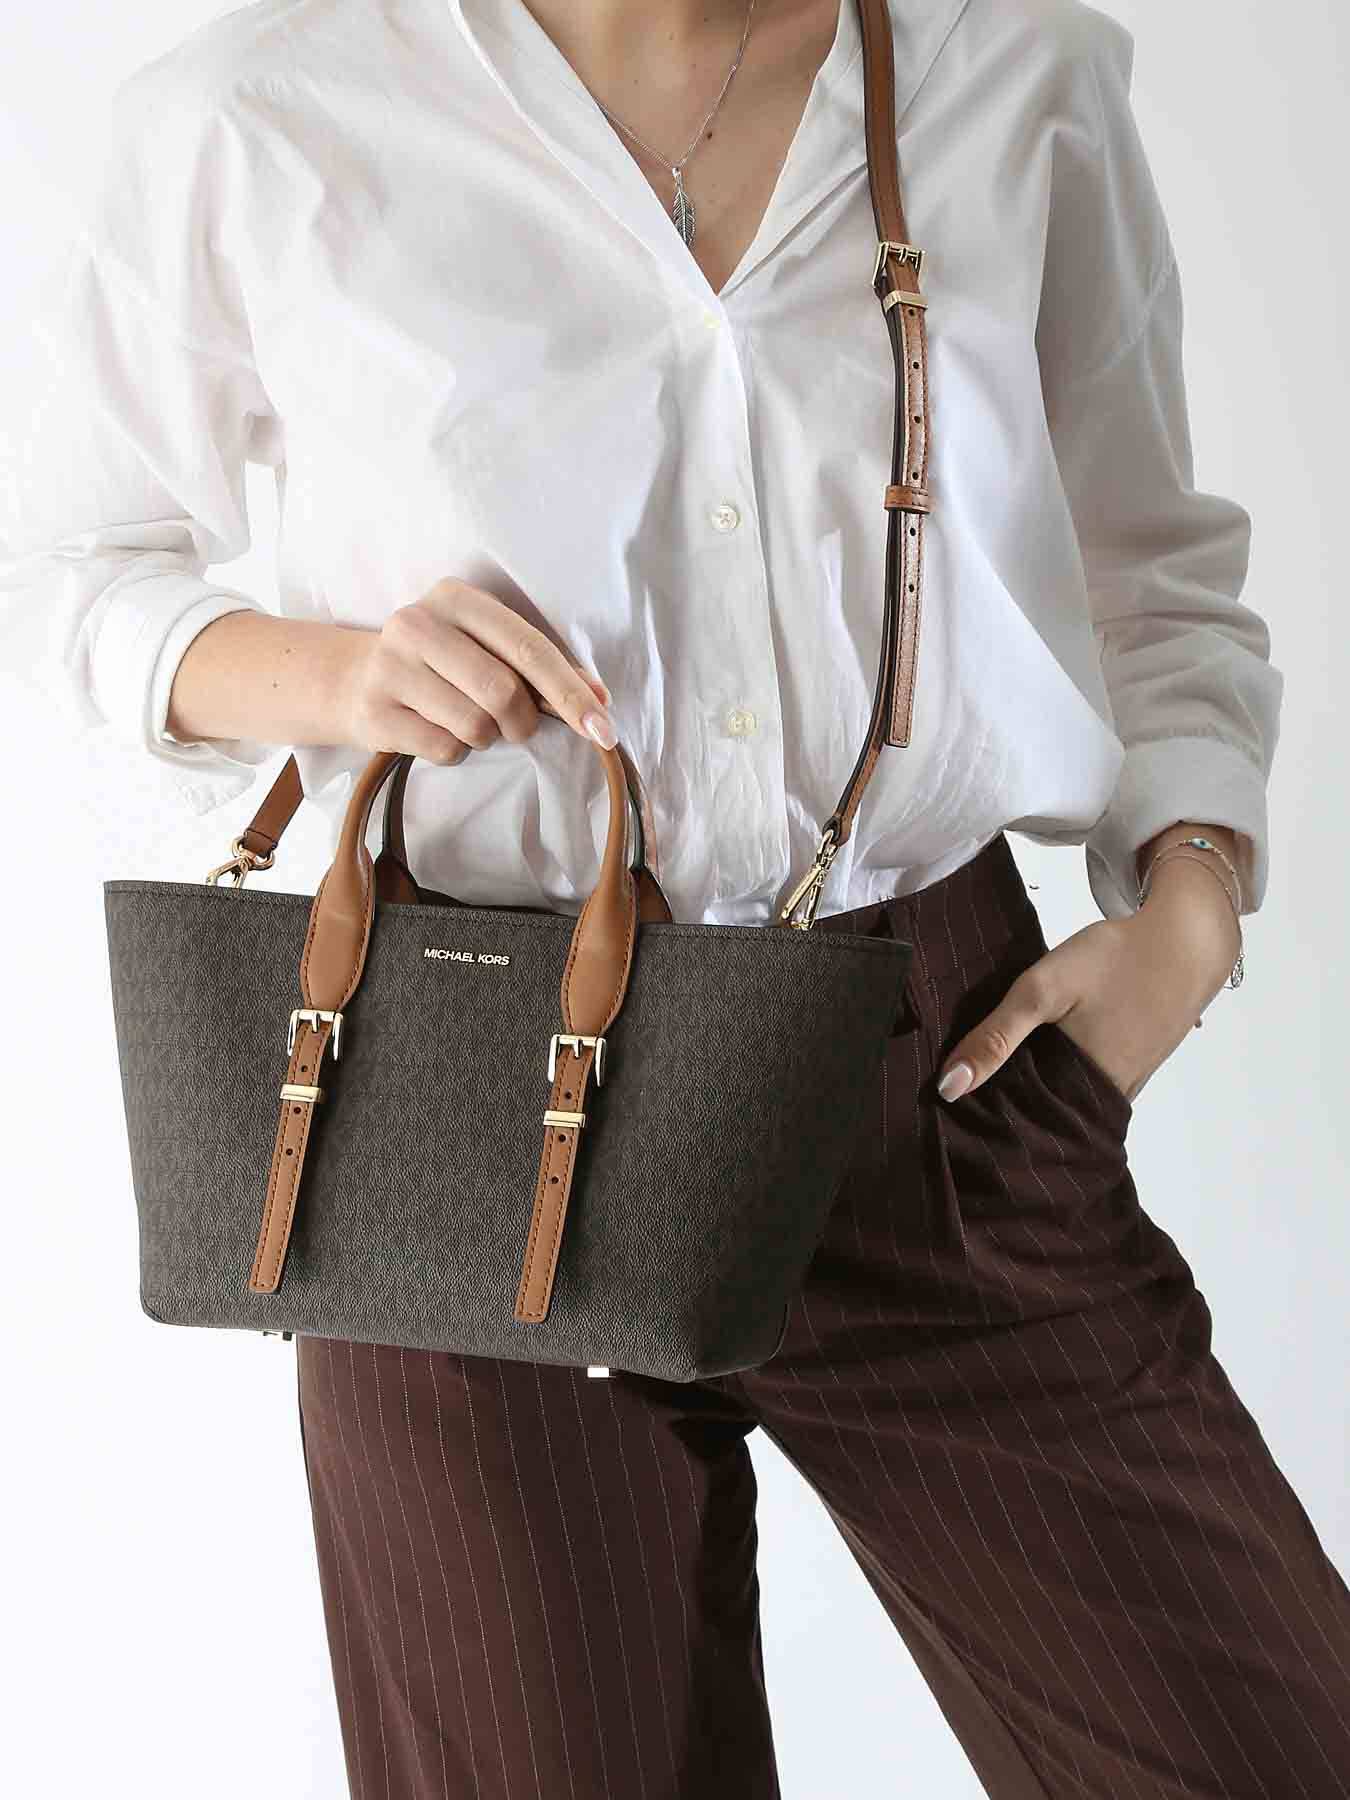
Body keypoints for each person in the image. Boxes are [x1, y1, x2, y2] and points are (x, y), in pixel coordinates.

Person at [3, 0, 1347, 1794]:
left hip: (935, 1078)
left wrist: (1190, 901)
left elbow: (1145, 557)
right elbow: (60, 565)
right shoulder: (268, 111)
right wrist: (334, 674)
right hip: (457, 1113)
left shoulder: (1008, 68)